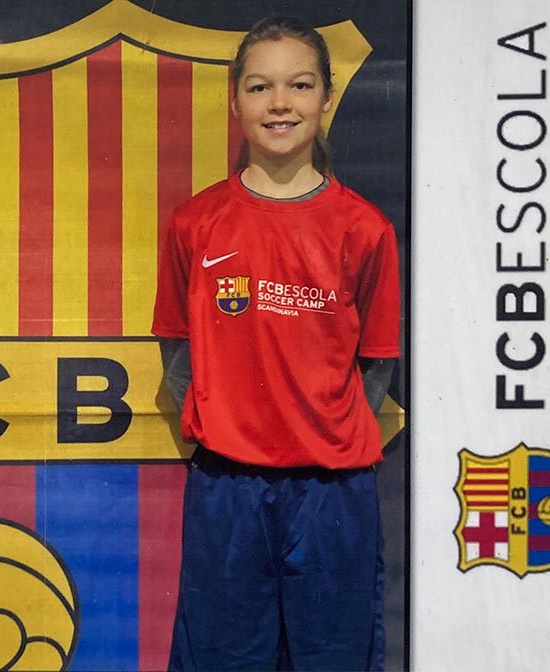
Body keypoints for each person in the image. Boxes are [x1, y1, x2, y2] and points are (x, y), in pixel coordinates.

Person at [151, 16, 401, 672]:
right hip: (228, 490)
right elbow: (177, 349)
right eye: (260, 87)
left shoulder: (364, 229)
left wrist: (322, 433)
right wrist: (228, 426)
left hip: (332, 493)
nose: (280, 103)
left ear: (327, 96)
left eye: (300, 85)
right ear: (235, 99)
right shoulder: (195, 223)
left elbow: (377, 362)